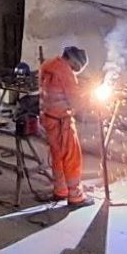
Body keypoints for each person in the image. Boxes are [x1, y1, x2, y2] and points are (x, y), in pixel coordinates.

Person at [39, 45, 94, 208]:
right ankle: (76, 196)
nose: (76, 70)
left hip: (48, 117)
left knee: (57, 155)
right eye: (76, 67)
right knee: (72, 157)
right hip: (62, 120)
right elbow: (75, 101)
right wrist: (87, 97)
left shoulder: (48, 65)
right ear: (73, 60)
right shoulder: (65, 72)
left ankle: (60, 190)